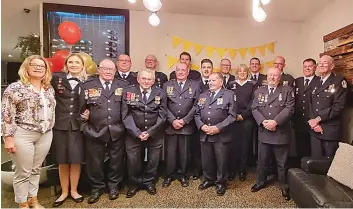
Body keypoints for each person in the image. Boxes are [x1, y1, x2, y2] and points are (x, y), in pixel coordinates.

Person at [2, 55, 56, 208]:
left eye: (42, 66)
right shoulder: (15, 88)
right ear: (26, 67)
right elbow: (6, 115)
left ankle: (34, 199)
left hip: (45, 134)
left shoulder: (48, 88)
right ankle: (23, 203)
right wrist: (8, 138)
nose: (39, 68)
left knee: (35, 169)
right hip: (22, 134)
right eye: (34, 65)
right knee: (23, 171)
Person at [79, 59, 129, 204]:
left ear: (115, 70)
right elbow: (80, 110)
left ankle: (114, 186)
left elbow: (128, 108)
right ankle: (96, 187)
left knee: (116, 161)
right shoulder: (87, 86)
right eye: (105, 69)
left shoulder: (123, 85)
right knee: (95, 162)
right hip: (94, 131)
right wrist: (84, 127)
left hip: (116, 130)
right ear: (99, 69)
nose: (108, 71)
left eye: (111, 69)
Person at [250, 67, 294, 201]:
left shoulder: (288, 90)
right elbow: (254, 108)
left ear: (279, 77)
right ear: (266, 77)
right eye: (270, 75)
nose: (272, 78)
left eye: (275, 75)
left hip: (280, 132)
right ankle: (260, 181)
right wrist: (263, 122)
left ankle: (283, 186)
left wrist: (275, 122)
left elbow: (289, 108)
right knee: (262, 161)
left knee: (282, 163)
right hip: (264, 131)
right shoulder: (259, 91)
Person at [122, 69, 167, 198]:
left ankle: (148, 182)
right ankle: (134, 183)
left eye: (149, 79)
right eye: (144, 78)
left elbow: (162, 116)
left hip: (154, 133)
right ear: (138, 79)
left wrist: (150, 132)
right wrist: (136, 132)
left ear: (153, 80)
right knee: (133, 160)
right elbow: (125, 115)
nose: (146, 81)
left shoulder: (161, 93)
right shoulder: (128, 91)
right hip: (133, 133)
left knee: (153, 160)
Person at [51, 53, 87, 207]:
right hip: (60, 124)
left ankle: (74, 190)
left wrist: (88, 112)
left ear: (82, 65)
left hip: (78, 126)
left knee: (76, 159)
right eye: (70, 62)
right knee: (62, 160)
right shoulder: (56, 79)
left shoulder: (88, 81)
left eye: (77, 62)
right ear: (66, 64)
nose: (73, 65)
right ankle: (64, 192)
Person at [195, 72, 237, 196]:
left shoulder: (229, 95)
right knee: (207, 160)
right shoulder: (203, 95)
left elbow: (232, 116)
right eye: (209, 80)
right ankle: (209, 179)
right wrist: (202, 126)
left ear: (221, 82)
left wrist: (218, 127)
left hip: (221, 135)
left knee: (221, 160)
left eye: (213, 80)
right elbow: (197, 114)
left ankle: (221, 182)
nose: (210, 82)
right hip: (205, 133)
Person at [162, 62, 200, 188]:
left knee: (184, 153)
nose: (181, 72)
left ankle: (183, 175)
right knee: (170, 153)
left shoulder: (195, 85)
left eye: (183, 70)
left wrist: (185, 120)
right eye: (178, 70)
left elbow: (196, 105)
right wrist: (172, 120)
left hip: (187, 125)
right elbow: (163, 105)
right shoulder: (167, 85)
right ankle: (169, 175)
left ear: (188, 72)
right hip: (170, 125)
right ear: (175, 71)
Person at [307, 55, 347, 157]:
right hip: (314, 130)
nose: (321, 64)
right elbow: (310, 103)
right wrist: (314, 122)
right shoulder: (315, 81)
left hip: (330, 130)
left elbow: (338, 106)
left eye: (324, 62)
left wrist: (318, 119)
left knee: (328, 165)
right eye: (319, 62)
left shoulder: (339, 81)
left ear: (332, 66)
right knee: (315, 163)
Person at [227, 64, 255, 181]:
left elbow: (253, 103)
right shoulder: (231, 84)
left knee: (244, 145)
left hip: (246, 119)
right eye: (240, 71)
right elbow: (227, 101)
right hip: (232, 119)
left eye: (244, 71)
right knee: (232, 145)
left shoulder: (252, 84)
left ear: (247, 72)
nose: (242, 73)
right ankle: (232, 170)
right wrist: (234, 115)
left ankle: (242, 170)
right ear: (237, 72)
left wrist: (242, 115)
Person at [191, 58, 214, 180]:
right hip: (198, 120)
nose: (206, 69)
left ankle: (210, 171)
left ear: (212, 69)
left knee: (211, 147)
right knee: (197, 147)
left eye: (209, 67)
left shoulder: (217, 83)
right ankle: (197, 169)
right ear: (201, 69)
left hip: (213, 122)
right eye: (204, 67)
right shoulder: (195, 84)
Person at [293, 58, 320, 161]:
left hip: (313, 121)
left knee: (313, 150)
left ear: (315, 67)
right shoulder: (297, 81)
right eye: (305, 66)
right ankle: (301, 169)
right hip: (299, 121)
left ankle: (311, 171)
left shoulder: (319, 81)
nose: (307, 68)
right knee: (300, 147)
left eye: (310, 66)